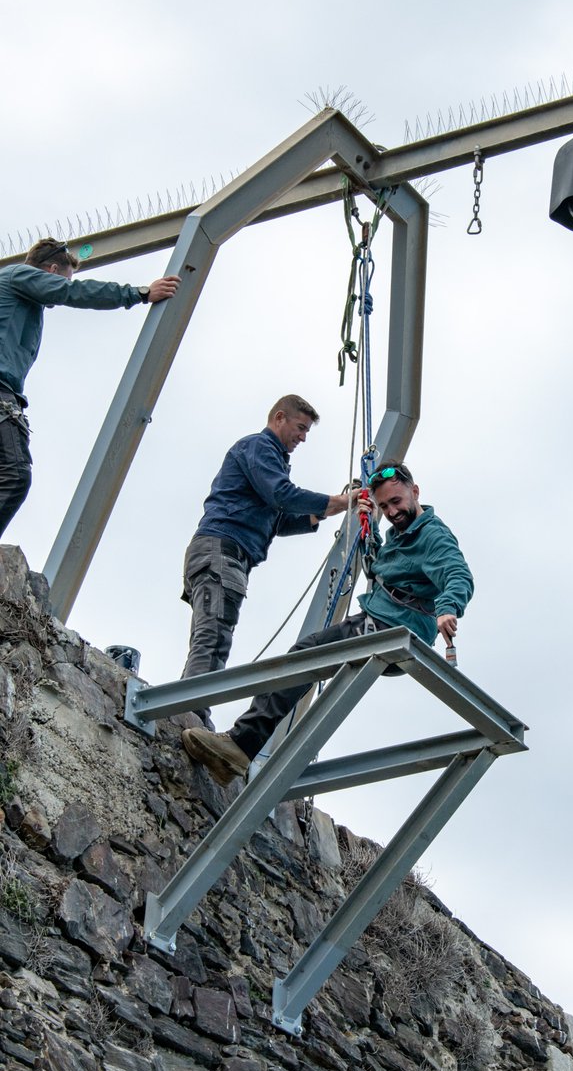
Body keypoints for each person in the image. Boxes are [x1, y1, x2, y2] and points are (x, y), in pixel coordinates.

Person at [181, 460, 474, 785]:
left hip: (391, 627)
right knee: (309, 659)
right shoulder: (402, 534)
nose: (392, 512)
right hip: (382, 622)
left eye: (396, 501)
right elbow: (388, 568)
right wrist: (371, 529)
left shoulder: (432, 534)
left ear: (415, 492)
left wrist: (448, 608)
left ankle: (240, 746)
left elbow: (457, 573)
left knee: (305, 656)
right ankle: (244, 749)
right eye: (384, 506)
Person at [179, 394, 355, 726]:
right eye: (300, 428)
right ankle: (191, 713)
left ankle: (188, 708)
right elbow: (282, 495)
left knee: (213, 634)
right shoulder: (260, 448)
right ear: (279, 418)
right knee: (214, 636)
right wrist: (338, 501)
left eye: (306, 431)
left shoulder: (267, 459)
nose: (303, 437)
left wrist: (327, 511)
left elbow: (279, 519)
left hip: (223, 554)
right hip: (223, 551)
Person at [0, 237, 180, 535]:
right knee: (15, 474)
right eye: (64, 277)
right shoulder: (21, 276)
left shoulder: (16, 298)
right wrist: (140, 294)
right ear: (52, 270)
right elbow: (74, 292)